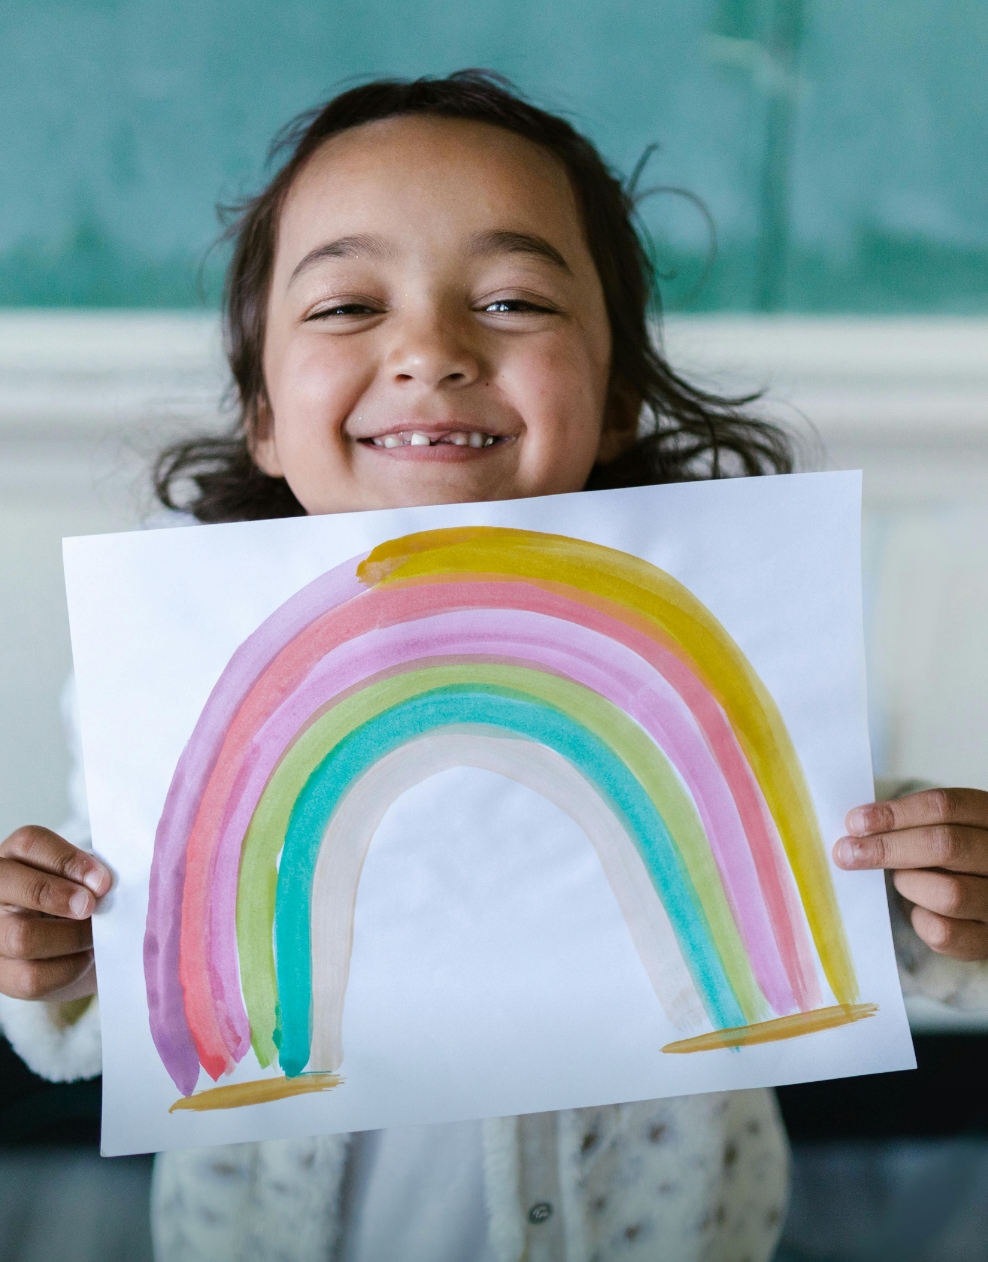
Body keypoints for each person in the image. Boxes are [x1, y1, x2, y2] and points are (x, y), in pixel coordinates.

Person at [1, 71, 987, 1262]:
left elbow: (812, 891)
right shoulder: (176, 671)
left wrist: (929, 890)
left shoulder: (730, 642)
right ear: (264, 412)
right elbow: (126, 985)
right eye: (346, 305)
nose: (430, 349)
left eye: (513, 299)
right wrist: (44, 953)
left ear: (617, 390)